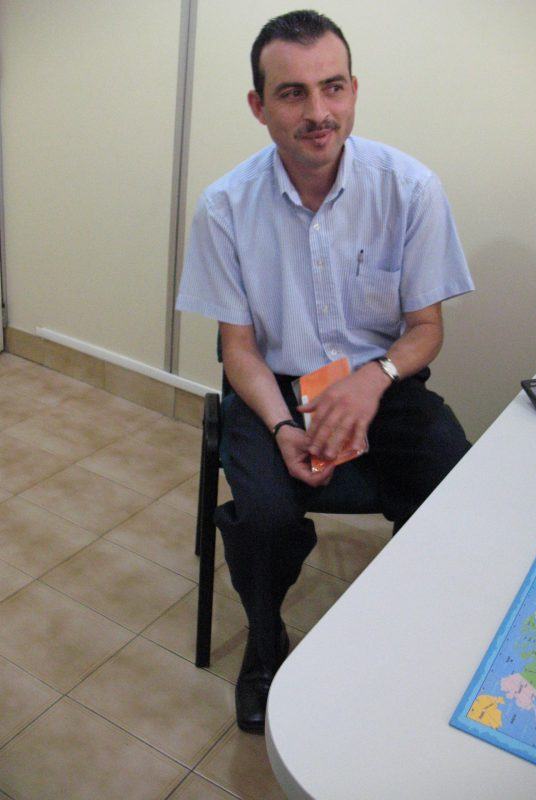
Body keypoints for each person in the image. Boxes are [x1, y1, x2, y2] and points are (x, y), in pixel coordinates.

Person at [177, 9, 474, 734]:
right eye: (293, 93)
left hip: (383, 381)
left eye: (333, 87)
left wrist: (373, 379)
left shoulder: (410, 188)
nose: (319, 112)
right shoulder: (224, 207)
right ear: (259, 106)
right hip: (272, 390)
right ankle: (265, 643)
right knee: (266, 517)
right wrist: (283, 426)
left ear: (353, 90)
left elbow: (426, 331)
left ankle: (406, 631)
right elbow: (239, 348)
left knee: (453, 486)